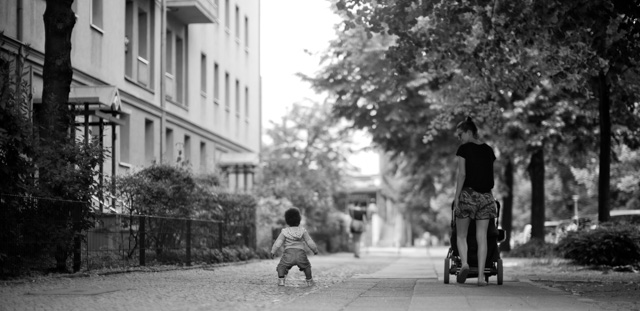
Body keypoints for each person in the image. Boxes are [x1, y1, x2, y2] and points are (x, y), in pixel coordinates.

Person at [453, 117, 497, 286]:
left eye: (460, 135)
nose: (459, 138)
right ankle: (480, 277)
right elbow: (489, 174)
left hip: (468, 196)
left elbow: (462, 174)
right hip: (486, 197)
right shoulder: (488, 150)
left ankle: (464, 264)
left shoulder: (464, 149)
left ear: (469, 132)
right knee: (482, 237)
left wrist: (457, 196)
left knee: (461, 235)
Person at [271, 208, 319, 286]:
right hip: (301, 254)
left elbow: (278, 242)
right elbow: (309, 241)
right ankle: (309, 281)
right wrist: (315, 250)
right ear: (299, 219)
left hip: (288, 255)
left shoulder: (285, 231)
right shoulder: (302, 231)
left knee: (281, 266)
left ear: (287, 220)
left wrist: (273, 251)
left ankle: (281, 280)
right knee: (307, 266)